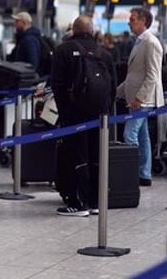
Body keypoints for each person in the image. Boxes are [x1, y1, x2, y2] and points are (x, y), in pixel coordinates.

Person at [51, 16, 116, 217]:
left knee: (75, 155)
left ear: (73, 29)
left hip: (73, 114)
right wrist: (104, 110)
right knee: (96, 155)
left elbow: (57, 84)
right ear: (92, 31)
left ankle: (77, 203)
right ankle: (96, 202)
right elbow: (112, 87)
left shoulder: (63, 51)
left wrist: (64, 112)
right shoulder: (104, 54)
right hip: (99, 115)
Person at [117, 7, 164, 187]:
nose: (130, 22)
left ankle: (132, 174)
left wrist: (140, 98)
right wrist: (117, 92)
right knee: (143, 136)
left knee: (130, 134)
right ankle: (144, 174)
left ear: (144, 21)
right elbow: (134, 74)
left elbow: (152, 74)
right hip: (135, 97)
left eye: (133, 19)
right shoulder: (139, 42)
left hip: (142, 99)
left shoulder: (150, 43)